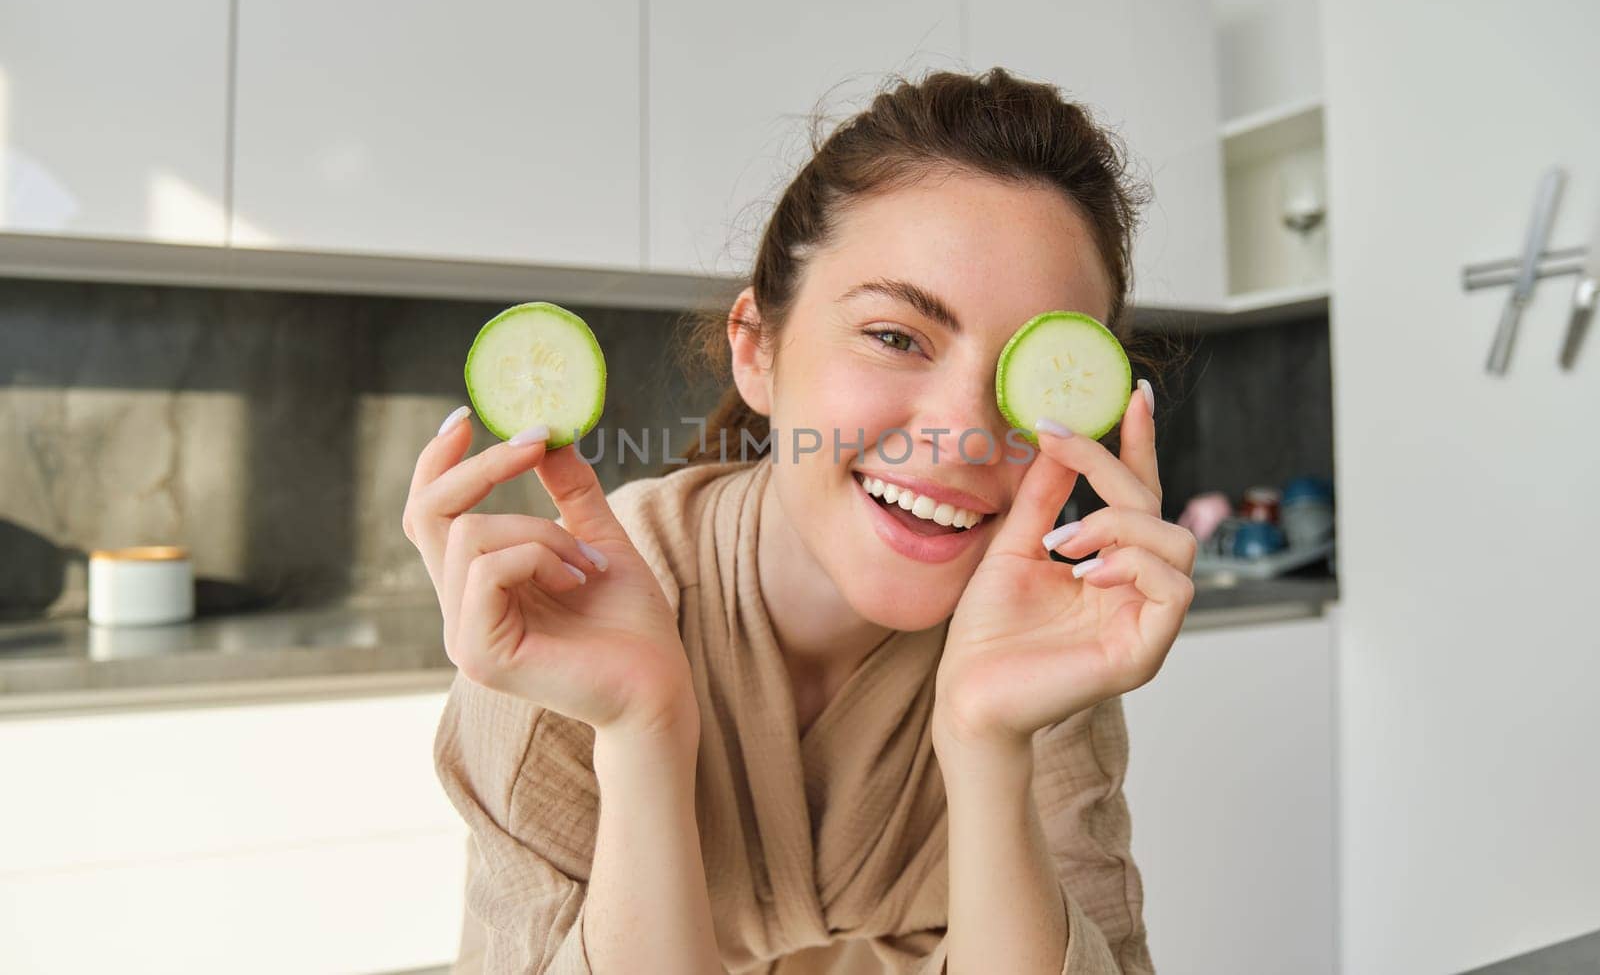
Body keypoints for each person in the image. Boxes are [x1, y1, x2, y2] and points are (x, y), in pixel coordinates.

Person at [403, 66, 1197, 974]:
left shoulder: (1045, 648)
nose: (969, 434)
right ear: (758, 348)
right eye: (896, 336)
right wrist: (640, 728)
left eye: (1034, 373)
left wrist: (989, 744)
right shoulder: (562, 627)